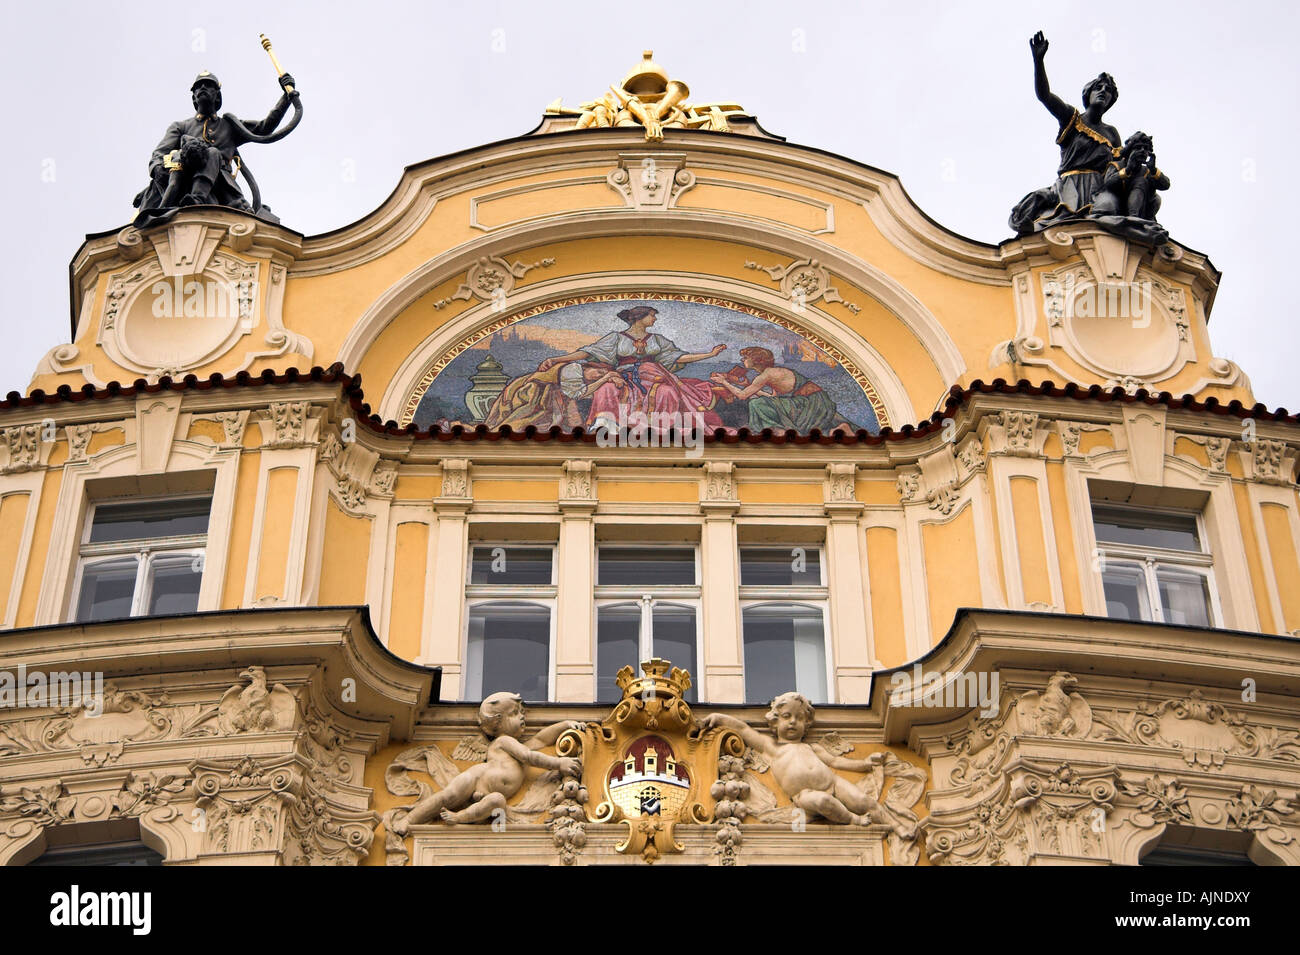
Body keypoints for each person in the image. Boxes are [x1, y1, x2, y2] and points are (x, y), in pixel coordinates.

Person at [702, 693, 902, 830]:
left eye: (798, 718)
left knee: (864, 801)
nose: (792, 722)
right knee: (823, 801)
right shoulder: (772, 748)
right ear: (774, 721)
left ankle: (897, 827)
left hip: (833, 783)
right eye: (786, 717)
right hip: (803, 796)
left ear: (806, 724)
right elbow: (745, 730)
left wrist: (866, 764)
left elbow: (837, 763)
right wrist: (720, 718)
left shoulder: (812, 747)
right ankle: (853, 819)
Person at [132, 70, 302, 228]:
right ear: (194, 98)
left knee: (249, 222)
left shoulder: (229, 124)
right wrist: (157, 169)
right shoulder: (181, 126)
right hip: (185, 179)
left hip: (223, 183)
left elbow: (264, 129)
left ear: (217, 96)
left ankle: (200, 200)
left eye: (209, 86)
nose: (203, 88)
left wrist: (286, 98)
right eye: (198, 87)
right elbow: (159, 154)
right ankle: (193, 200)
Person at [389, 692, 581, 831]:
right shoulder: (504, 741)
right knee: (447, 797)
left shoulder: (516, 745)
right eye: (515, 713)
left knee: (497, 801)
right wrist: (559, 763)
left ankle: (458, 817)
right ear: (498, 721)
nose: (522, 717)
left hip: (491, 792)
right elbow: (528, 757)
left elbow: (540, 740)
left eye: (522, 712)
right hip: (476, 777)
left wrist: (564, 725)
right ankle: (409, 819)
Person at [537, 305, 725, 430]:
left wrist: (710, 354)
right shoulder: (616, 338)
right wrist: (555, 359)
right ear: (640, 317)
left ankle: (662, 429)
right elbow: (587, 352)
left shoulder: (657, 340)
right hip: (624, 375)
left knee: (667, 391)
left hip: (654, 375)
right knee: (608, 387)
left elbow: (679, 356)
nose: (654, 320)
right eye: (652, 316)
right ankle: (606, 425)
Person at [1009, 31, 1122, 236]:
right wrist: (1038, 61)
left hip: (1099, 188)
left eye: (1109, 91)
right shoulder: (1073, 118)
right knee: (1048, 214)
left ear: (1111, 101)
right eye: (1099, 87)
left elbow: (1119, 165)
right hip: (1070, 185)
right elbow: (1044, 95)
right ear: (1088, 93)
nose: (1103, 91)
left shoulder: (1111, 133)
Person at [709, 346, 839, 433]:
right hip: (816, 401)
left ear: (756, 360)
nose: (743, 360)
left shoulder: (766, 375)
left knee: (755, 403)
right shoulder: (771, 373)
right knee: (760, 401)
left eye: (746, 357)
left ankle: (773, 428)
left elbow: (742, 396)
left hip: (810, 404)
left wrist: (724, 382)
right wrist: (747, 386)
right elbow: (773, 399)